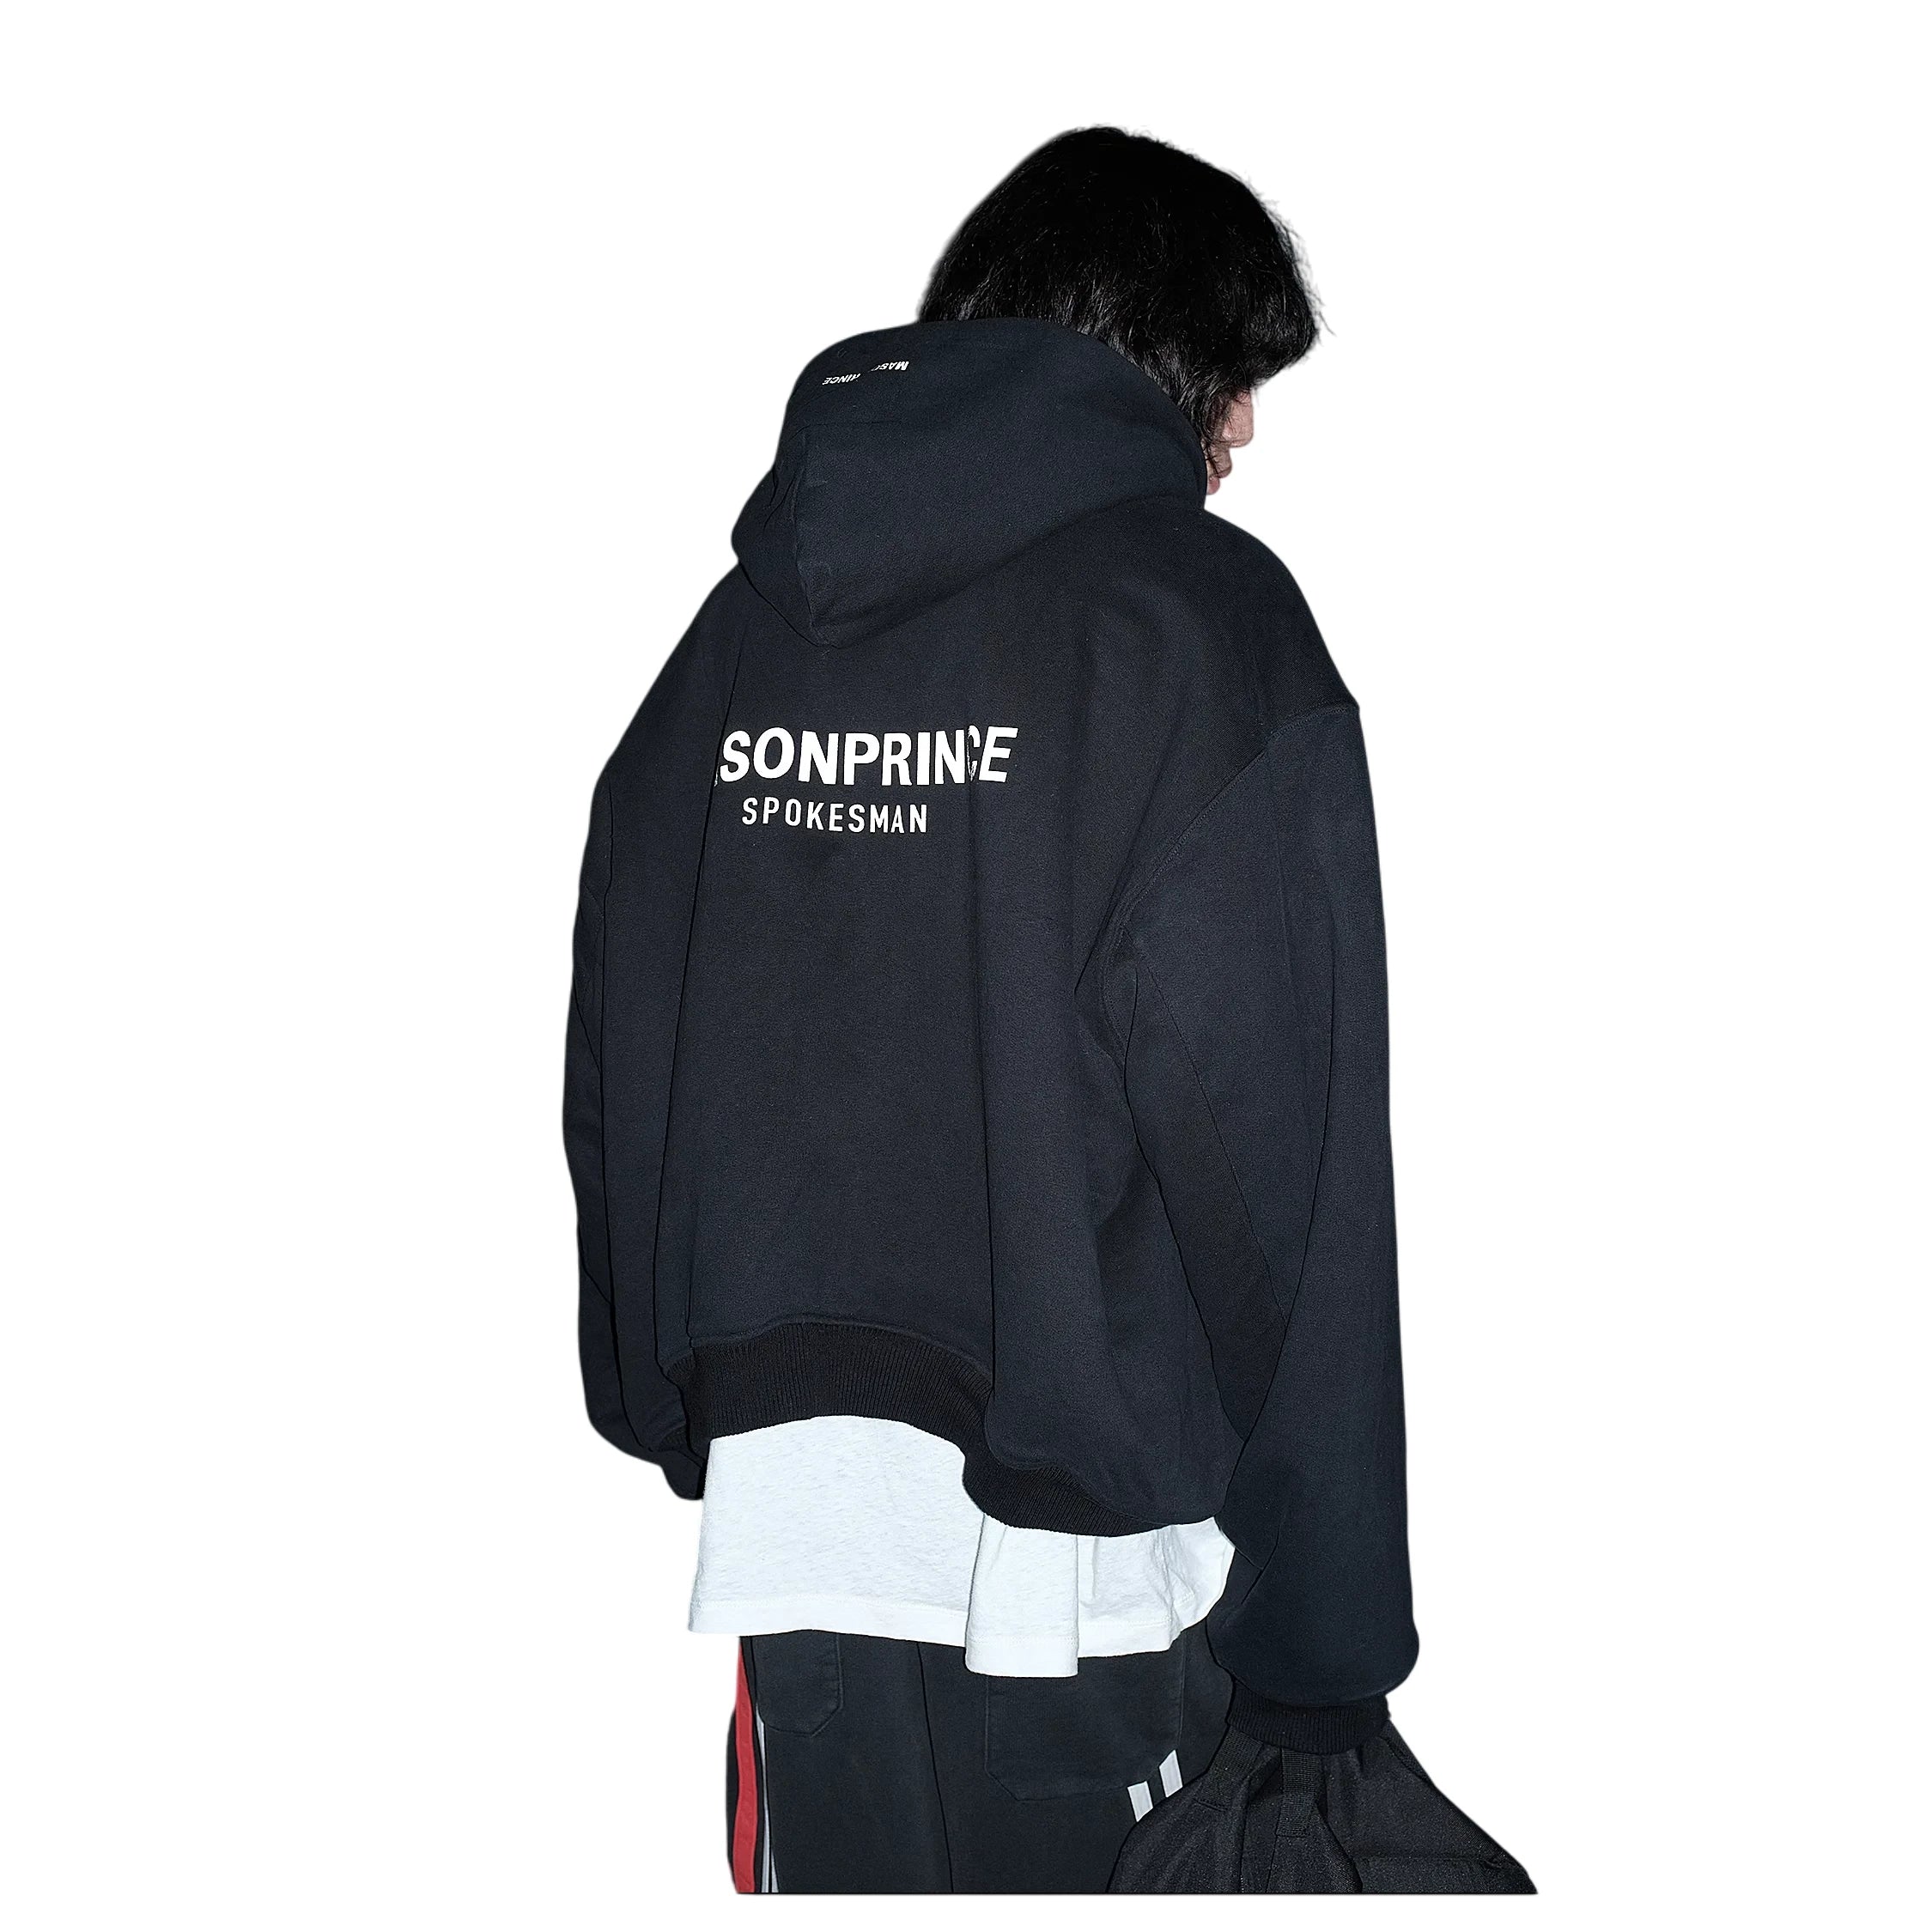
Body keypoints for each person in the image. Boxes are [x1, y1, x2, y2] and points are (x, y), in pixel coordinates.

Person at [565, 127, 1532, 1894]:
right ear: (1144, 349)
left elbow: (622, 1031)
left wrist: (657, 1384)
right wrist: (1324, 1648)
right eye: (1232, 376)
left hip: (797, 1553)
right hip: (1087, 1578)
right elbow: (1294, 1163)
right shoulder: (1196, 625)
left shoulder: (733, 636)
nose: (1243, 433)